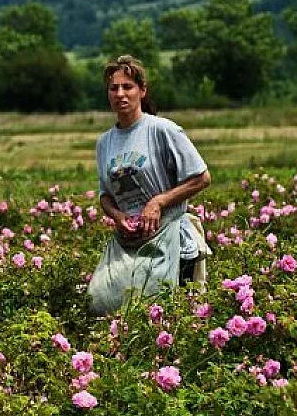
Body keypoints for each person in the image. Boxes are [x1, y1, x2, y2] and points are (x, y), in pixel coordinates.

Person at [88, 55, 211, 314]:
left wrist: (159, 202)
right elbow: (105, 196)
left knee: (162, 312)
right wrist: (117, 215)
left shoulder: (162, 130)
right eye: (114, 88)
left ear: (142, 91)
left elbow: (201, 177)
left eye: (128, 87)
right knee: (101, 300)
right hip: (129, 241)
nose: (120, 94)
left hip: (170, 239)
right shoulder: (105, 143)